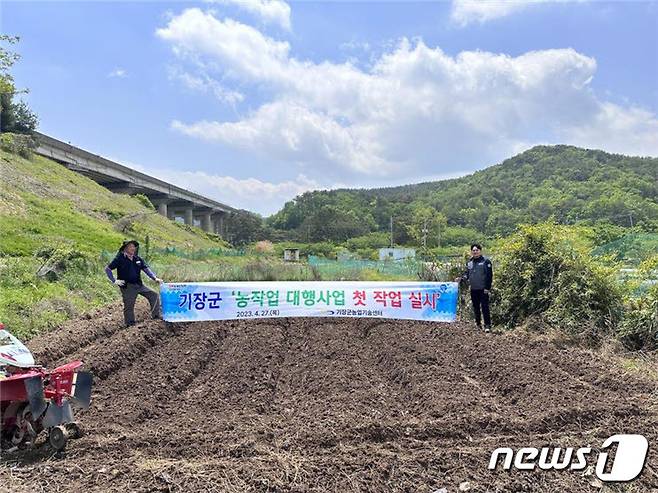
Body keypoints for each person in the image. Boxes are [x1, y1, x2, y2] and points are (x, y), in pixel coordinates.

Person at [105, 240, 164, 327]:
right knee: (129, 305)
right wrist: (114, 280)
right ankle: (130, 324)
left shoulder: (137, 259)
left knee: (154, 295)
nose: (133, 248)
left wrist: (155, 278)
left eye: (134, 247)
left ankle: (156, 316)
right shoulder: (119, 258)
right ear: (125, 248)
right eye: (130, 246)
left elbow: (146, 269)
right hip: (128, 287)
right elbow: (108, 269)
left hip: (139, 285)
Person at [455, 243, 493, 333]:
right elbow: (467, 274)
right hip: (474, 289)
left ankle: (487, 325)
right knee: (475, 307)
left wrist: (487, 287)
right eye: (473, 250)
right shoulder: (470, 262)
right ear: (471, 252)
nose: (475, 252)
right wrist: (461, 278)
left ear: (480, 251)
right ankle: (478, 324)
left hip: (483, 289)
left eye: (477, 250)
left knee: (485, 307)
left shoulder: (486, 261)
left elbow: (489, 275)